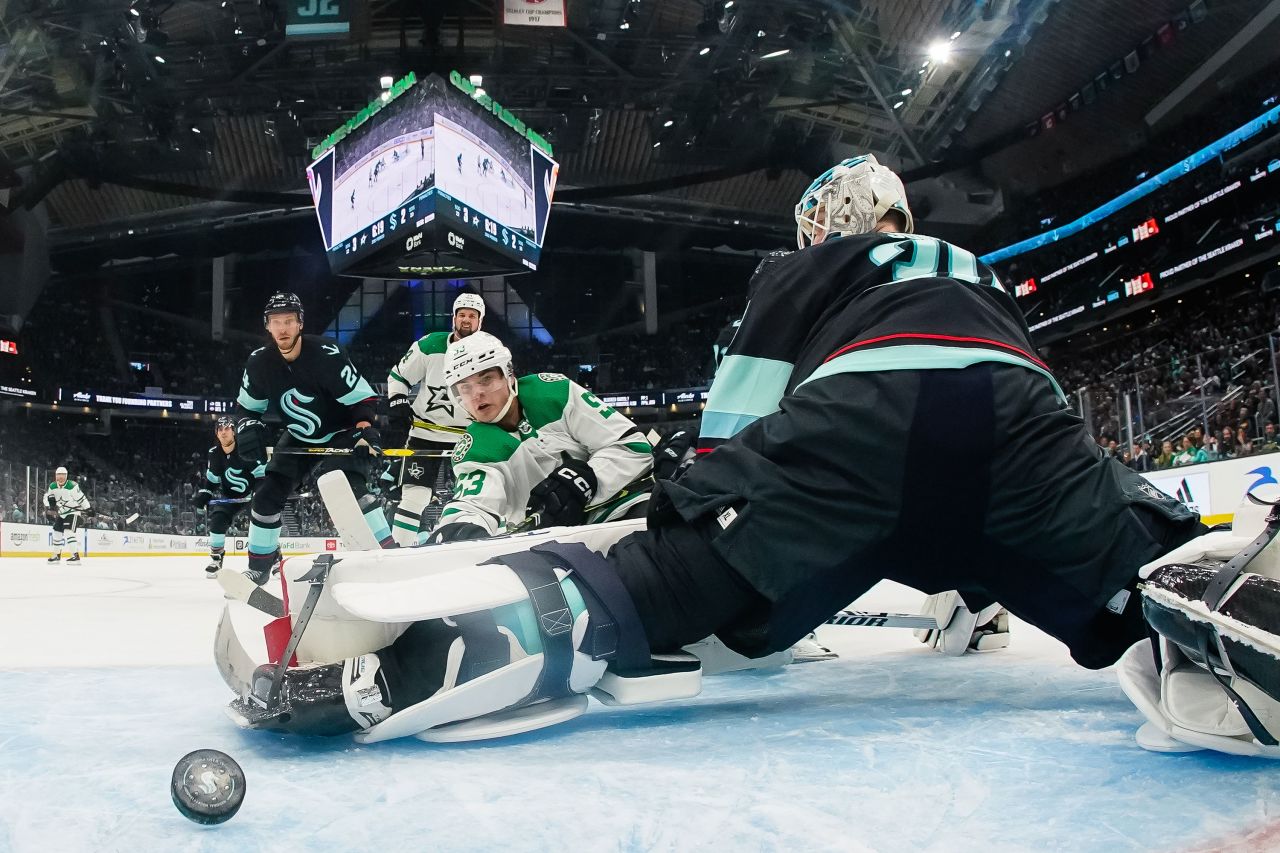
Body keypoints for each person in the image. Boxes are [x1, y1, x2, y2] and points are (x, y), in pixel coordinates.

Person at [225, 155, 1207, 750]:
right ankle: (1220, 626)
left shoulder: (807, 265)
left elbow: (730, 439)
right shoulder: (975, 275)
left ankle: (395, 672)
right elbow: (1002, 407)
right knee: (1154, 582)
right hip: (1019, 440)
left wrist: (696, 530)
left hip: (847, 447)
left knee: (642, 593)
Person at [426, 331, 654, 544]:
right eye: (465, 388)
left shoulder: (555, 392)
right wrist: (458, 530)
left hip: (617, 512)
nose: (477, 394)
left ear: (509, 375)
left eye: (486, 379)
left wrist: (583, 482)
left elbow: (632, 447)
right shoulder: (474, 449)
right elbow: (472, 507)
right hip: (549, 544)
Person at [233, 292, 393, 585]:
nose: (282, 328)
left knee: (348, 487)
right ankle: (258, 568)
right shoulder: (258, 363)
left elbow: (363, 398)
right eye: (276, 322)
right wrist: (246, 426)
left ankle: (388, 552)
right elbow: (246, 408)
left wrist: (364, 431)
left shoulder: (327, 354)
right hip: (298, 435)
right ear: (267, 326)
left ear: (300, 324)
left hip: (342, 431)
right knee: (266, 495)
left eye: (289, 321)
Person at [383, 293, 482, 545]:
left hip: (469, 436)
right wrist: (398, 401)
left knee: (477, 496)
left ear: (480, 320)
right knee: (414, 496)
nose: (466, 320)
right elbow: (398, 377)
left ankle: (474, 547)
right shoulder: (430, 345)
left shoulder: (489, 350)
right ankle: (399, 551)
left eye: (472, 315)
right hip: (423, 433)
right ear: (454, 318)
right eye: (462, 315)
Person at [193, 416, 261, 578]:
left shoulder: (246, 450)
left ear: (234, 431)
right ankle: (216, 559)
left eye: (227, 428)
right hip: (229, 497)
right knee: (217, 520)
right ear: (216, 433)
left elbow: (260, 475)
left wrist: (260, 492)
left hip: (252, 495)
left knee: (261, 524)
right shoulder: (214, 453)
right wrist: (204, 494)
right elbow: (212, 480)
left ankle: (273, 558)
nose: (223, 432)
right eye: (220, 429)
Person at [44, 466, 90, 563]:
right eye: (58, 475)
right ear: (56, 476)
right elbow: (47, 497)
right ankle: (56, 555)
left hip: (73, 512)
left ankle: (75, 556)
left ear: (66, 476)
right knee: (57, 532)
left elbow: (81, 498)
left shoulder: (72, 486)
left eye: (63, 475)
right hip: (62, 513)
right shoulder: (52, 486)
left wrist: (88, 508)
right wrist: (50, 504)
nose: (60, 478)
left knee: (68, 531)